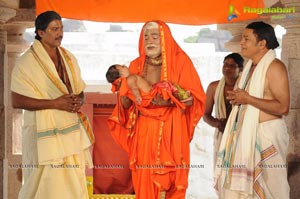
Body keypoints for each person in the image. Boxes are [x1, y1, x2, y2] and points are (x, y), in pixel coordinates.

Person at [107, 21, 206, 199]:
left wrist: (170, 101)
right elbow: (125, 104)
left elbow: (194, 99)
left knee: (172, 181)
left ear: (164, 39)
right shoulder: (135, 65)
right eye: (146, 37)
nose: (149, 41)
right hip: (144, 131)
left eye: (154, 36)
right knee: (144, 179)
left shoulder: (181, 62)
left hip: (172, 129)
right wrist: (125, 95)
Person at [10, 11, 94, 199]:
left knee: (72, 183)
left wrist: (79, 100)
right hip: (41, 134)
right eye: (54, 29)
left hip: (69, 132)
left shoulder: (69, 58)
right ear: (40, 32)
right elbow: (16, 100)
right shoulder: (26, 63)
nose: (60, 33)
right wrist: (55, 103)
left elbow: (80, 90)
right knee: (44, 184)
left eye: (61, 28)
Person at [214, 21, 290, 199]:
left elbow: (283, 107)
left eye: (246, 38)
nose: (241, 42)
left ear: (262, 43)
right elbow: (245, 100)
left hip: (266, 137)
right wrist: (238, 99)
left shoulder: (275, 67)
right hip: (244, 138)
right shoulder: (248, 68)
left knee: (270, 191)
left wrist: (247, 99)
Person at [203, 53, 244, 166]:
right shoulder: (213, 87)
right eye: (225, 64)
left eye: (232, 66)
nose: (227, 68)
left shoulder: (245, 88)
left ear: (240, 69)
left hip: (241, 133)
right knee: (221, 174)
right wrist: (218, 124)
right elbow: (205, 115)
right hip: (221, 134)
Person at [106, 64, 190, 107]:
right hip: (153, 91)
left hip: (151, 96)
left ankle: (179, 99)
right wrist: (137, 96)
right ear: (122, 74)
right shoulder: (130, 78)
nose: (125, 65)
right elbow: (134, 88)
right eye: (122, 66)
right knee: (168, 85)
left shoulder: (124, 86)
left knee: (168, 92)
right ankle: (183, 96)